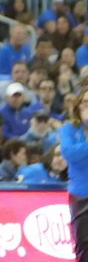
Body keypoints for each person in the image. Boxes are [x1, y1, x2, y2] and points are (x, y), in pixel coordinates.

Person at [58, 86, 88, 259]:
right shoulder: (69, 128)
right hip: (81, 194)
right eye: (85, 102)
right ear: (78, 105)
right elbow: (69, 153)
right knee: (84, 243)